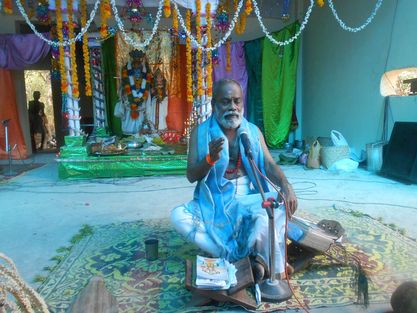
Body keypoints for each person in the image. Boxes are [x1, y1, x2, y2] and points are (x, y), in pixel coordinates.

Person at [171, 79, 297, 281]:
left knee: (278, 202)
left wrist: (286, 185)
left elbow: (270, 164)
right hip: (215, 199)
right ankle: (243, 257)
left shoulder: (253, 132)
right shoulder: (201, 133)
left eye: (237, 101)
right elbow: (191, 175)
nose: (232, 107)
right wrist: (210, 159)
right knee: (178, 216)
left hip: (249, 197)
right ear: (213, 105)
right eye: (225, 101)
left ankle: (255, 258)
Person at [115, 49, 153, 135]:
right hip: (129, 106)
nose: (136, 62)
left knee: (140, 131)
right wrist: (125, 92)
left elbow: (147, 90)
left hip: (141, 106)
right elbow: (122, 88)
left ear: (141, 60)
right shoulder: (126, 71)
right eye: (135, 60)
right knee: (128, 131)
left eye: (138, 60)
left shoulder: (145, 71)